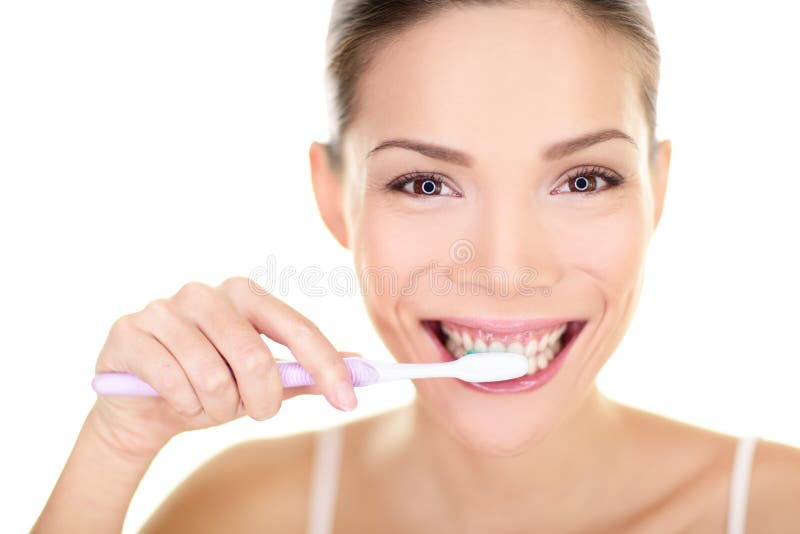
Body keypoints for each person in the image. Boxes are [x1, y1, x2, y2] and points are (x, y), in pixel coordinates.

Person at [34, 1, 800, 532]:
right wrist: (115, 449)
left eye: (583, 180)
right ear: (334, 197)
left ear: (657, 191)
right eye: (426, 184)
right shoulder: (241, 514)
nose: (505, 271)